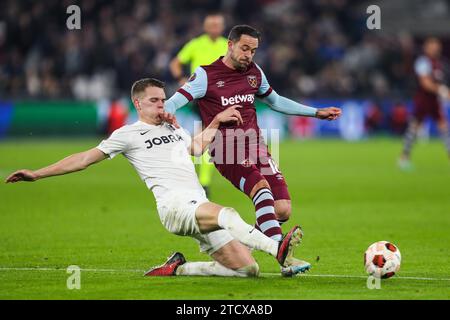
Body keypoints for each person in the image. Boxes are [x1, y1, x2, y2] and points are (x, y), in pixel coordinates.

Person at [5, 78, 306, 278]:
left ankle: (178, 268)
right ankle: (276, 248)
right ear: (138, 104)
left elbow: (195, 148)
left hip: (195, 203)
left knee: (248, 271)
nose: (162, 105)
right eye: (154, 101)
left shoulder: (173, 128)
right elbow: (83, 159)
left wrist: (215, 120)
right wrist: (37, 174)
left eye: (163, 100)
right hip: (174, 207)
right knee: (226, 213)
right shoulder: (127, 134)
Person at [165, 25, 341, 267]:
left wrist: (316, 113)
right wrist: (169, 120)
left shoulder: (254, 72)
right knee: (261, 187)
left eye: (253, 50)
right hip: (226, 150)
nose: (248, 55)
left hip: (257, 147)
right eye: (244, 48)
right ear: (230, 44)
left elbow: (276, 101)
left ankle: (240, 248)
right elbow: (174, 103)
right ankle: (283, 256)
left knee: (281, 209)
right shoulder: (206, 75)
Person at [169, 13, 228, 197]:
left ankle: (197, 180)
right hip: (202, 97)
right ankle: (203, 182)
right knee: (209, 136)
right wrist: (181, 79)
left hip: (222, 97)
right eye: (211, 24)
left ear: (222, 26)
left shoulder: (228, 45)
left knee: (206, 136)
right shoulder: (195, 44)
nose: (214, 28)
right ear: (205, 26)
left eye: (217, 24)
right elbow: (175, 64)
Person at [399, 37, 450, 169]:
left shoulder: (439, 63)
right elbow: (425, 83)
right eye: (432, 45)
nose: (435, 48)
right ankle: (404, 157)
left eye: (437, 45)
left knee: (444, 127)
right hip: (423, 100)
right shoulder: (423, 62)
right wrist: (441, 90)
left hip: (434, 100)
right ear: (426, 47)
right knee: (414, 128)